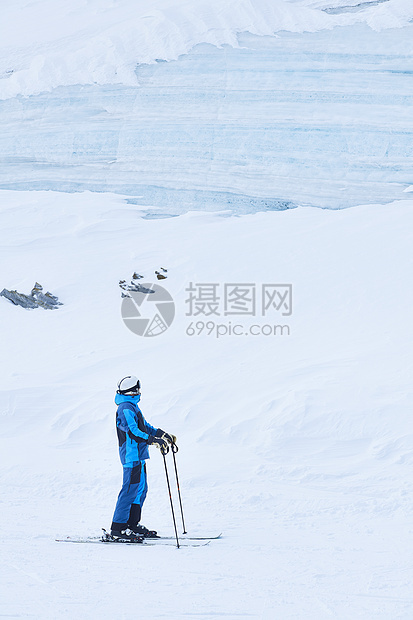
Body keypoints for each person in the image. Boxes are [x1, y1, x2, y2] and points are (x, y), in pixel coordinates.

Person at [110, 375, 176, 540]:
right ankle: (118, 528)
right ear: (132, 391)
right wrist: (153, 440)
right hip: (131, 456)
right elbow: (133, 431)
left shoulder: (132, 407)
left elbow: (145, 427)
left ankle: (132, 525)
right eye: (138, 388)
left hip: (138, 455)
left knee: (140, 489)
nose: (140, 391)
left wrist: (162, 435)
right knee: (129, 490)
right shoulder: (125, 408)